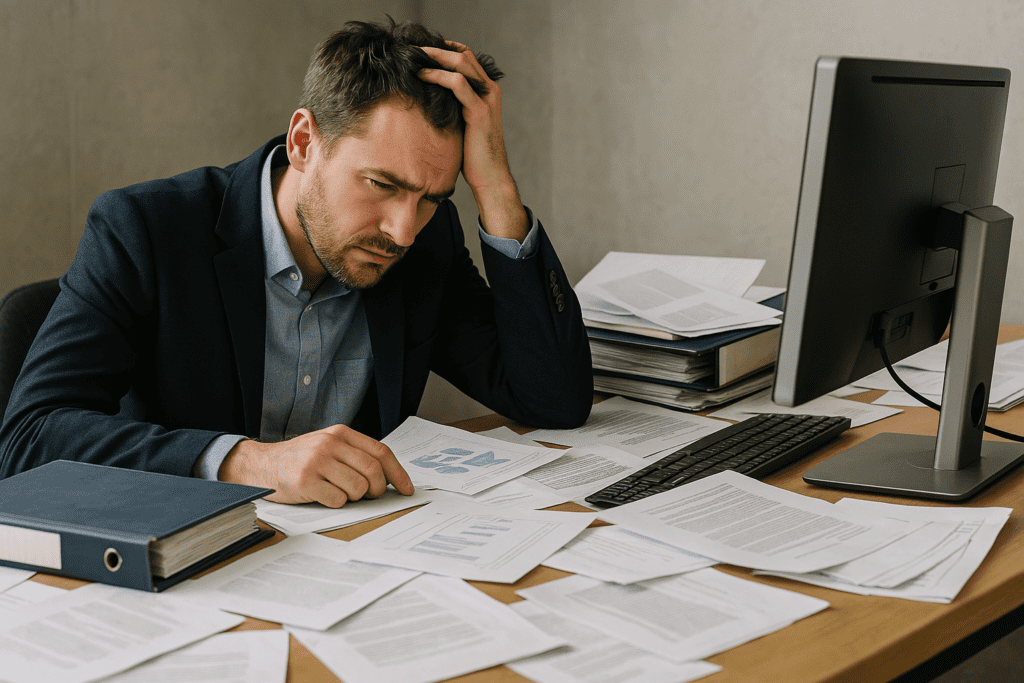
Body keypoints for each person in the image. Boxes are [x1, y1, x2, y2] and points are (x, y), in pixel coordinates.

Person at [0, 18, 593, 507]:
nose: (402, 229)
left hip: (356, 564)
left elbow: (552, 400)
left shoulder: (422, 245)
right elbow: (28, 439)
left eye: (432, 199)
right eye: (381, 184)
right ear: (305, 141)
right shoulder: (146, 230)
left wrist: (496, 190)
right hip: (188, 568)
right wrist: (248, 460)